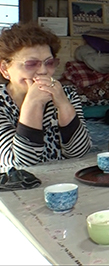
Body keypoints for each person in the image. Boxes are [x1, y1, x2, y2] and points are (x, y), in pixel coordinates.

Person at [0, 22, 91, 172]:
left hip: (61, 184)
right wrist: (33, 103)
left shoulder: (67, 94)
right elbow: (20, 163)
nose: (43, 71)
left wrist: (63, 105)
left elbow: (79, 152)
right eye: (31, 64)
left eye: (49, 63)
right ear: (5, 69)